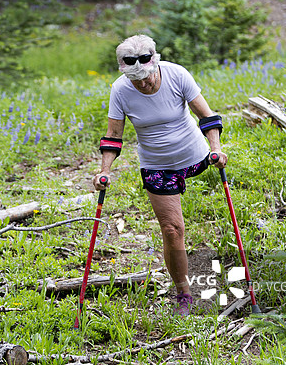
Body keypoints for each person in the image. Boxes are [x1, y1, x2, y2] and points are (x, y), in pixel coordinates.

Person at [93, 34, 226, 316]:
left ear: (155, 64)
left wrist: (216, 149)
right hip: (157, 165)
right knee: (171, 230)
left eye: (147, 77)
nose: (143, 84)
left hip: (195, 156)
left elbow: (208, 116)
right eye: (135, 80)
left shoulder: (177, 75)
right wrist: (104, 170)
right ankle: (184, 295)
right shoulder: (120, 90)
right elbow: (113, 137)